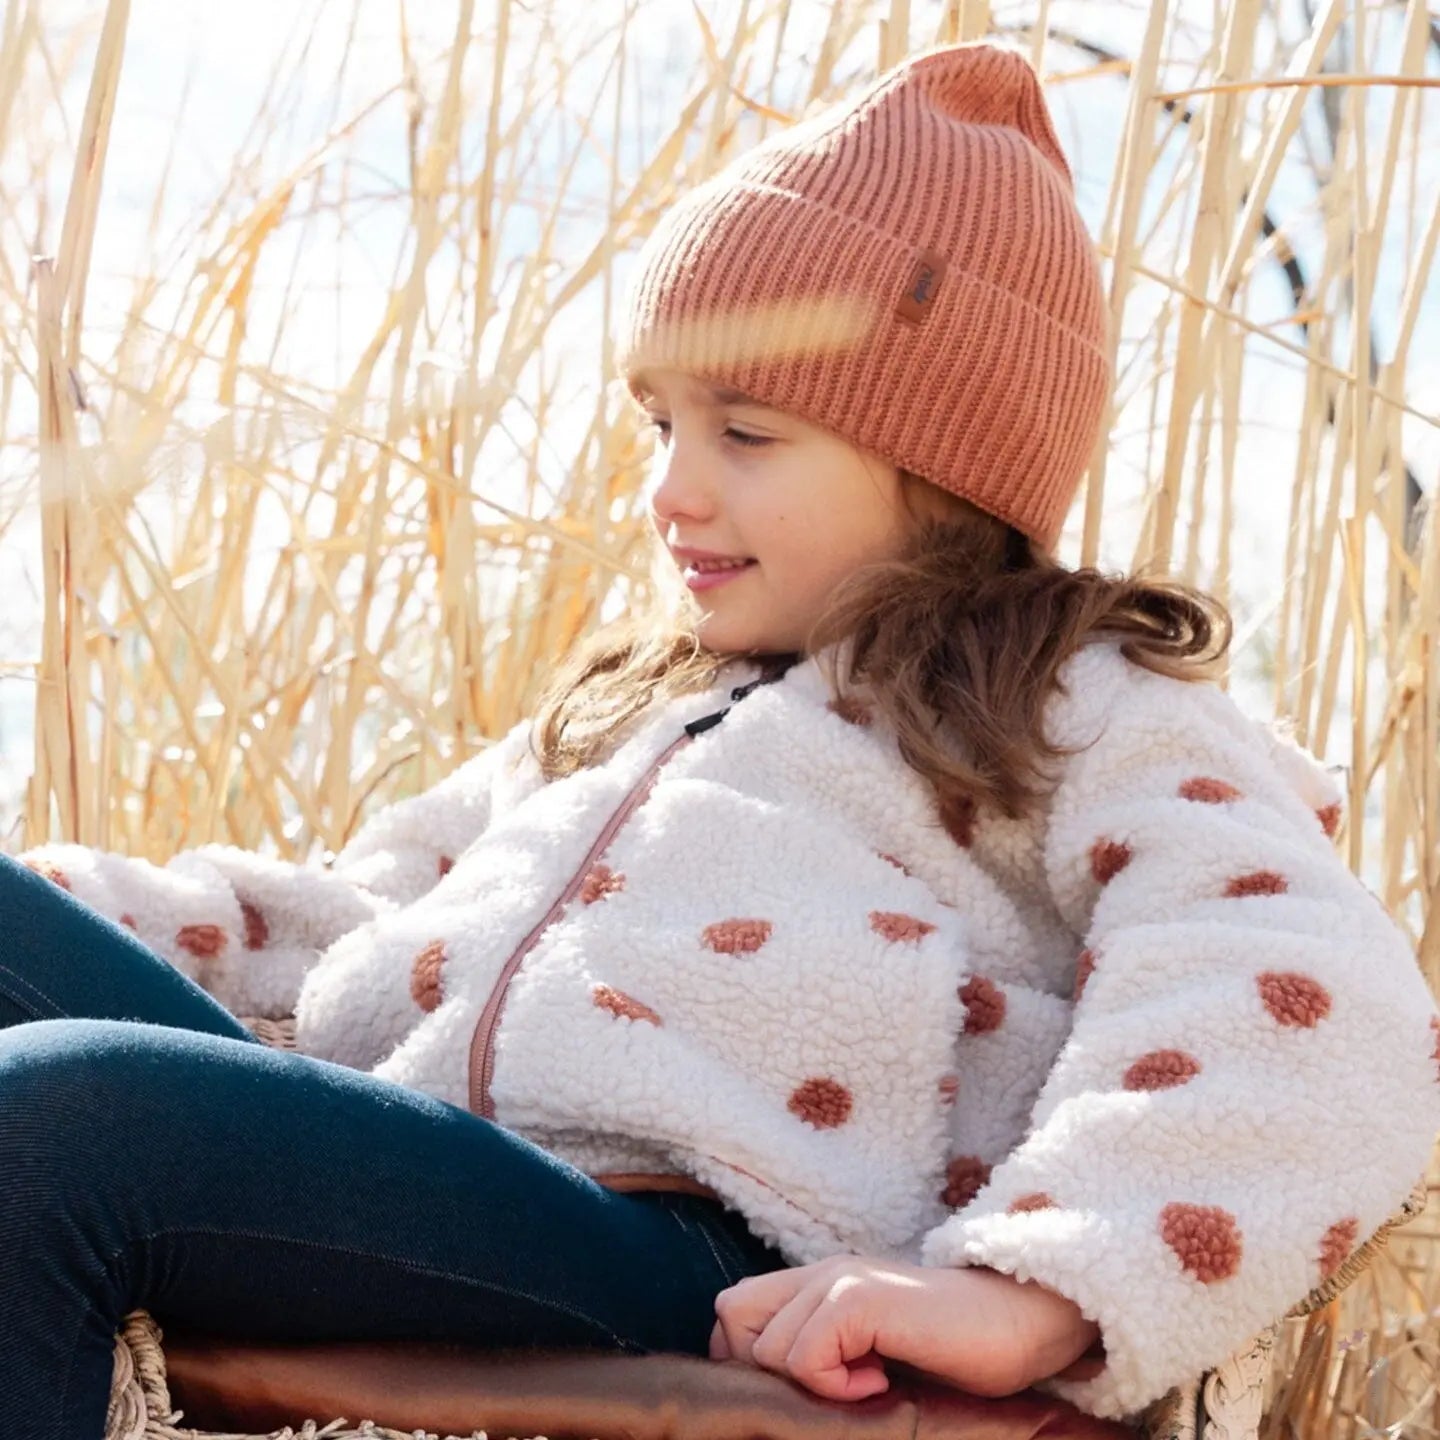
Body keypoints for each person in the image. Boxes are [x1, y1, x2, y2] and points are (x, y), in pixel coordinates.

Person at [3, 39, 1437, 1440]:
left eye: (745, 431)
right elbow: (354, 917)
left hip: (680, 1254)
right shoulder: (640, 709)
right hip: (398, 1164)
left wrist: (1032, 1285)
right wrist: (65, 910)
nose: (670, 491)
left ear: (943, 463)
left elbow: (1313, 990)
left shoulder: (1069, 702)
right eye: (659, 422)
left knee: (55, 1122)